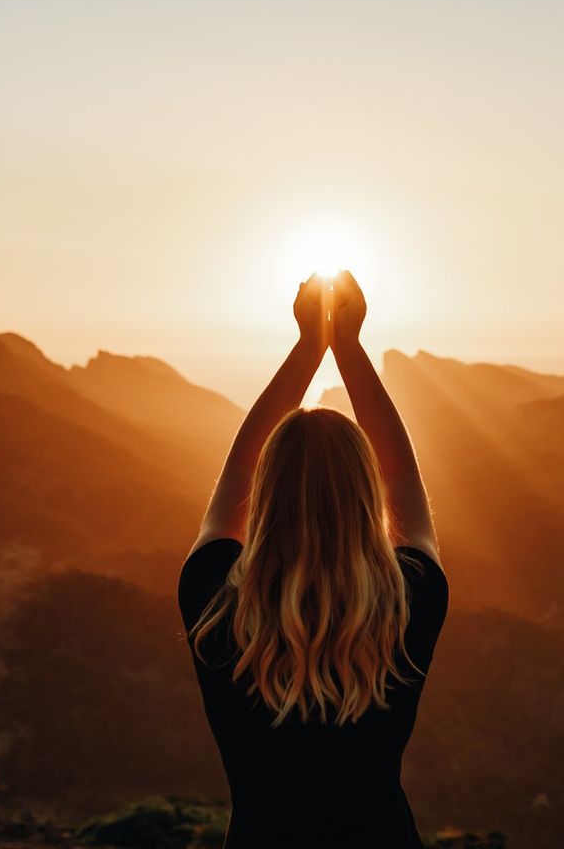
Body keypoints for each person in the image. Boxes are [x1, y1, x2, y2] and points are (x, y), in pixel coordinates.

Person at [177, 269, 449, 849]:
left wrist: (307, 345)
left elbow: (234, 480)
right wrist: (346, 347)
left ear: (266, 494)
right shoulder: (408, 601)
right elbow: (402, 476)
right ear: (363, 494)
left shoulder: (216, 602)